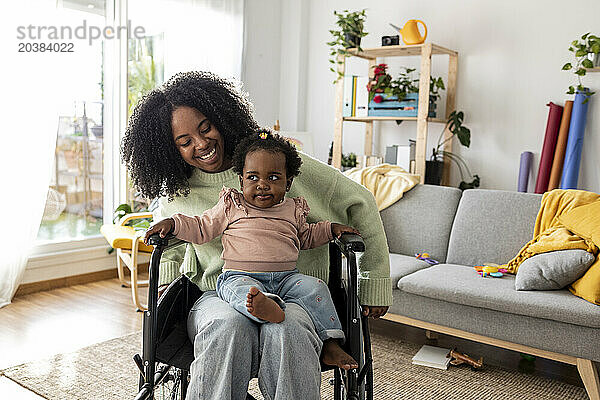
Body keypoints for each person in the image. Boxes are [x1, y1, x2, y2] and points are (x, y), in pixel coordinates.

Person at [122, 71, 392, 400]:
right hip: (221, 294)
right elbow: (173, 243)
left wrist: (374, 281)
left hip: (294, 290)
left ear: (222, 116)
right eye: (185, 141)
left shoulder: (276, 165)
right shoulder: (178, 191)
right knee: (226, 327)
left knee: (289, 328)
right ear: (170, 149)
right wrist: (165, 286)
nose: (202, 143)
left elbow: (361, 201)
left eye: (205, 127)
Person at [144, 131, 360, 370]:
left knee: (316, 288)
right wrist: (174, 224)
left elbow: (306, 236)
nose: (263, 185)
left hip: (287, 279)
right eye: (253, 177)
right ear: (241, 180)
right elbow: (201, 227)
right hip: (238, 276)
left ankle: (329, 342)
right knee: (240, 292)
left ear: (288, 183)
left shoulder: (291, 209)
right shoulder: (232, 205)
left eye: (274, 177)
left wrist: (331, 229)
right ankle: (264, 308)